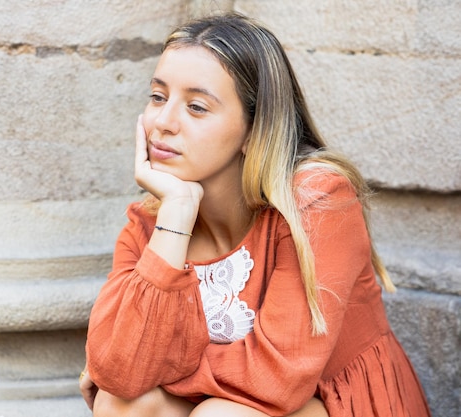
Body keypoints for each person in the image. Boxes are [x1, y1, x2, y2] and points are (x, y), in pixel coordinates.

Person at [79, 12, 432, 417]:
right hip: (227, 405)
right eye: (158, 97)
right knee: (122, 403)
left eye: (196, 107)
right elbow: (117, 375)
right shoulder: (152, 220)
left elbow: (277, 378)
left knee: (222, 415)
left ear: (253, 128)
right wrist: (176, 212)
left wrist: (153, 370)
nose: (163, 122)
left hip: (336, 405)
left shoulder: (318, 199)